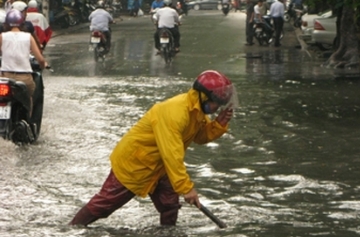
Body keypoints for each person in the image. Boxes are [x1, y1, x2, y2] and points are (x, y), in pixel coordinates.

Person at [69, 70, 237, 227]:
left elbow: (199, 137)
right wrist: (187, 189)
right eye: (216, 103)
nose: (217, 108)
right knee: (104, 205)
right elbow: (172, 155)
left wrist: (218, 125)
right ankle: (73, 229)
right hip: (136, 163)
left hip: (160, 166)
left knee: (170, 205)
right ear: (203, 96)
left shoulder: (196, 111)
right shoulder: (175, 112)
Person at [0, 9, 47, 139]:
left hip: (4, 78)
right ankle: (29, 124)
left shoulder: (2, 37)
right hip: (24, 79)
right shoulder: (28, 37)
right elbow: (40, 59)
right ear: (22, 23)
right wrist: (44, 65)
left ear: (7, 24)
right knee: (30, 99)